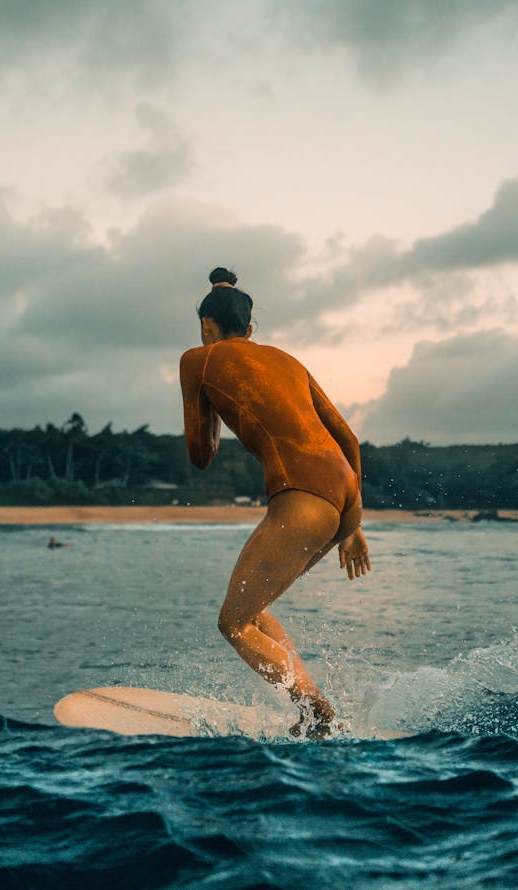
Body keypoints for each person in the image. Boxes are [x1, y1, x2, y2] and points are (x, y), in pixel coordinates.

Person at [180, 267, 371, 738]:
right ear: (249, 328)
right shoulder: (287, 360)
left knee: (233, 623)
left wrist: (212, 409)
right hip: (345, 495)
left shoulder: (197, 360)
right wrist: (355, 526)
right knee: (254, 608)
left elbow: (200, 455)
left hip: (302, 495)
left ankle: (317, 711)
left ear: (207, 325)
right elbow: (348, 438)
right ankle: (310, 707)